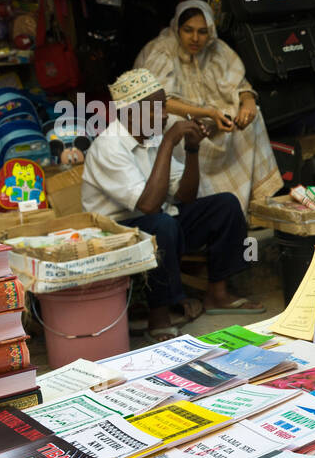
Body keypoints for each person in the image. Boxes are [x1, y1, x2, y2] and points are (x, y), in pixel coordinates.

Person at [82, 68, 263, 339]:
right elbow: (148, 206)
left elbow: (185, 196)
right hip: (117, 233)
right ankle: (159, 316)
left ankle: (218, 293)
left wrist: (191, 149)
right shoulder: (108, 147)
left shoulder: (151, 137)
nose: (165, 115)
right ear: (130, 112)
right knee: (162, 224)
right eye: (155, 109)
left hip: (157, 221)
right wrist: (169, 141)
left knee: (224, 204)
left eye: (163, 107)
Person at [134, 0, 282, 216]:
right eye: (188, 30)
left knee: (254, 117)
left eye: (202, 32)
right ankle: (197, 206)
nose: (195, 38)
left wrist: (248, 103)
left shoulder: (218, 49)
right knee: (174, 126)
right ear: (177, 28)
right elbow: (159, 101)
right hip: (184, 117)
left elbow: (241, 87)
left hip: (217, 117)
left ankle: (254, 206)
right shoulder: (162, 50)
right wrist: (209, 114)